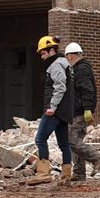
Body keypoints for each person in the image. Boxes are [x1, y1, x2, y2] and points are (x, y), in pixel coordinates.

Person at [27, 35, 75, 185]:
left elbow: (60, 87)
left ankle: (43, 173)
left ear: (52, 51)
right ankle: (66, 176)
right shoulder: (65, 64)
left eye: (43, 53)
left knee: (40, 139)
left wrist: (52, 107)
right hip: (65, 111)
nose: (42, 57)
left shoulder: (56, 65)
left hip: (55, 110)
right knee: (64, 144)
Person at [63, 42, 100, 181]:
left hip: (79, 111)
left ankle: (97, 158)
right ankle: (79, 173)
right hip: (78, 110)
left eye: (66, 57)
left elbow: (87, 90)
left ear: (70, 56)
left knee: (71, 140)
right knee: (77, 141)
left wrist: (87, 108)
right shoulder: (79, 69)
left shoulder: (81, 70)